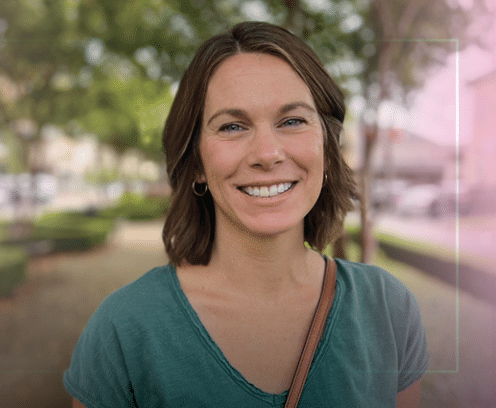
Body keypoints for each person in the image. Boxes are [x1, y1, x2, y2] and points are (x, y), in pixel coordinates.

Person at [63, 21, 428, 407]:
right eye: (233, 126)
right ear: (197, 161)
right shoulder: (123, 330)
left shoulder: (389, 311)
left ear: (326, 145)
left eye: (292, 121)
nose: (267, 154)